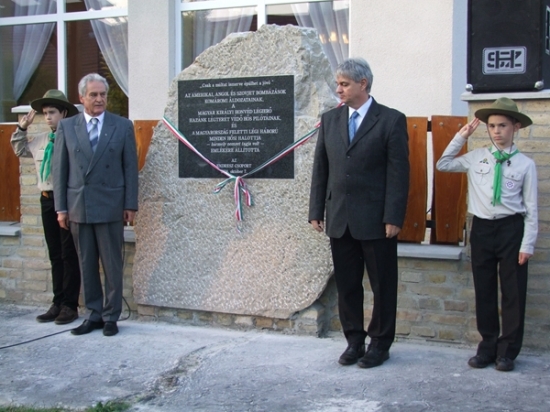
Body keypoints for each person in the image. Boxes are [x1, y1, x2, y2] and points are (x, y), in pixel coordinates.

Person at [309, 58, 410, 368]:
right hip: (340, 218)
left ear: (363, 84)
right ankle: (354, 341)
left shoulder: (390, 120)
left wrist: (393, 216)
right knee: (348, 286)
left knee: (383, 286)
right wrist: (316, 209)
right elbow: (321, 167)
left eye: (344, 84)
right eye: (338, 84)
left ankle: (380, 344)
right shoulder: (330, 120)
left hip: (377, 221)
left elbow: (399, 173)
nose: (338, 89)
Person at [436, 98, 537, 372]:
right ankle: (488, 347)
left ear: (515, 127)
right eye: (492, 126)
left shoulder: (525, 165)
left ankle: (508, 352)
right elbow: (443, 164)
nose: (496, 131)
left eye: (502, 125)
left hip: (511, 229)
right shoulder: (477, 157)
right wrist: (461, 136)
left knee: (513, 292)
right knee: (484, 289)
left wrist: (527, 244)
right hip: (481, 229)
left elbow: (531, 209)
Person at [53, 73, 138, 337]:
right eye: (93, 95)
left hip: (111, 204)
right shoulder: (67, 127)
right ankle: (93, 314)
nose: (99, 99)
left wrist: (130, 204)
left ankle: (111, 316)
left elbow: (130, 168)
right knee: (86, 263)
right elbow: (60, 170)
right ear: (82, 98)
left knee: (112, 264)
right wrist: (61, 208)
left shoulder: (122, 125)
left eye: (103, 94)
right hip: (79, 205)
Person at [11, 90, 81, 325]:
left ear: (64, 113)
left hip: (66, 201)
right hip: (46, 199)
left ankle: (70, 305)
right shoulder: (42, 139)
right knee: (55, 253)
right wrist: (22, 128)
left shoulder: (72, 139)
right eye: (45, 113)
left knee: (68, 253)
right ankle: (57, 301)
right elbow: (20, 150)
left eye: (52, 112)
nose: (48, 117)